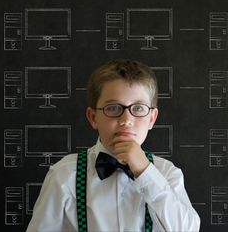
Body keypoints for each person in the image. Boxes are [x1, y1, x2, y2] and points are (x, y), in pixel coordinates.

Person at [27, 59, 201, 232]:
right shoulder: (63, 175)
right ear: (93, 117)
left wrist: (146, 173)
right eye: (113, 108)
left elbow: (187, 229)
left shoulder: (167, 173)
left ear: (152, 118)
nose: (126, 121)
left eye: (138, 108)